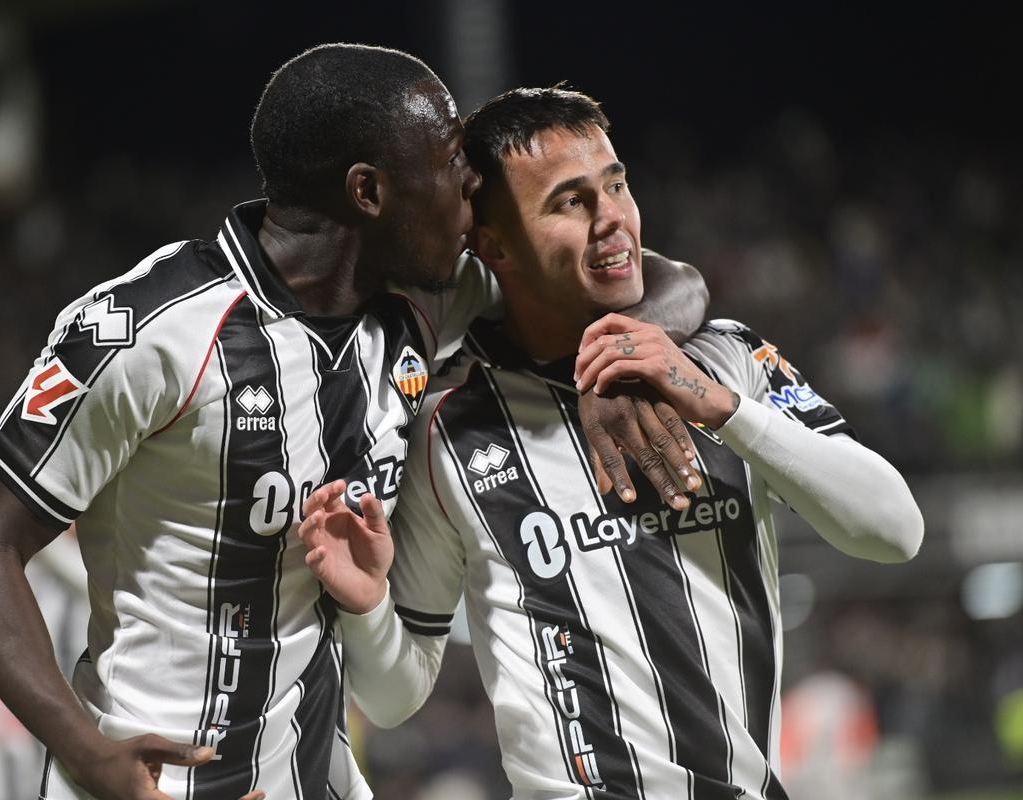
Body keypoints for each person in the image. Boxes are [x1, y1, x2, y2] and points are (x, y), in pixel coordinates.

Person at [0, 46, 707, 800]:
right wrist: (87, 752)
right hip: (148, 777)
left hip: (316, 774)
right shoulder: (151, 328)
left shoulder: (425, 301)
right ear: (369, 192)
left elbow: (668, 283)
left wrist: (621, 359)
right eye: (446, 158)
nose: (471, 177)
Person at [301, 86, 925, 800]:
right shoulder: (453, 433)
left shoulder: (728, 362)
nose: (613, 221)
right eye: (570, 201)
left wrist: (720, 408)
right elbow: (392, 696)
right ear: (494, 245)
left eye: (616, 185)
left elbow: (895, 531)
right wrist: (368, 606)